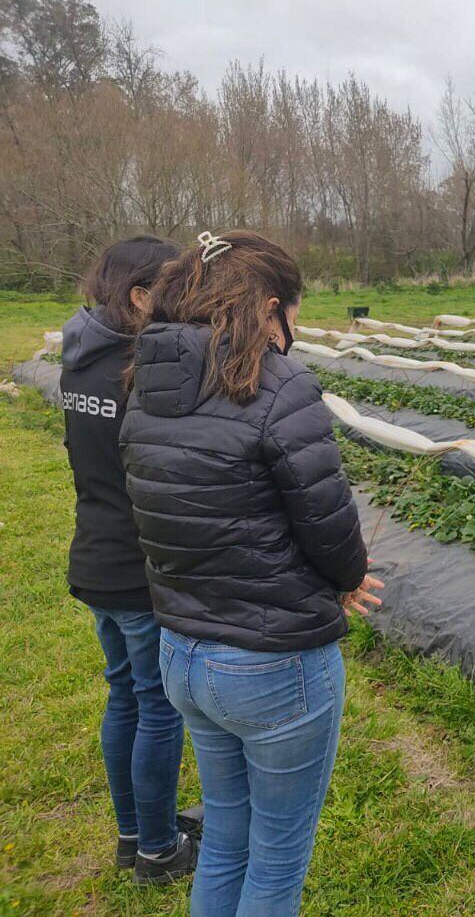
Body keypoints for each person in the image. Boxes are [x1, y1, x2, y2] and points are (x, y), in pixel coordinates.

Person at [119, 230, 382, 916]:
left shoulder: (146, 379)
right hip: (271, 666)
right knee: (276, 856)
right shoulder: (278, 384)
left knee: (228, 835)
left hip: (183, 650)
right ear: (269, 310)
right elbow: (328, 522)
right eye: (292, 314)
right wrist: (349, 576)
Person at [60, 235, 201, 883]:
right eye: (172, 288)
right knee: (156, 705)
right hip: (136, 566)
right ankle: (159, 849)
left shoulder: (79, 356)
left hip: (95, 553)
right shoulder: (137, 367)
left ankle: (133, 834)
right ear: (140, 295)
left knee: (124, 697)